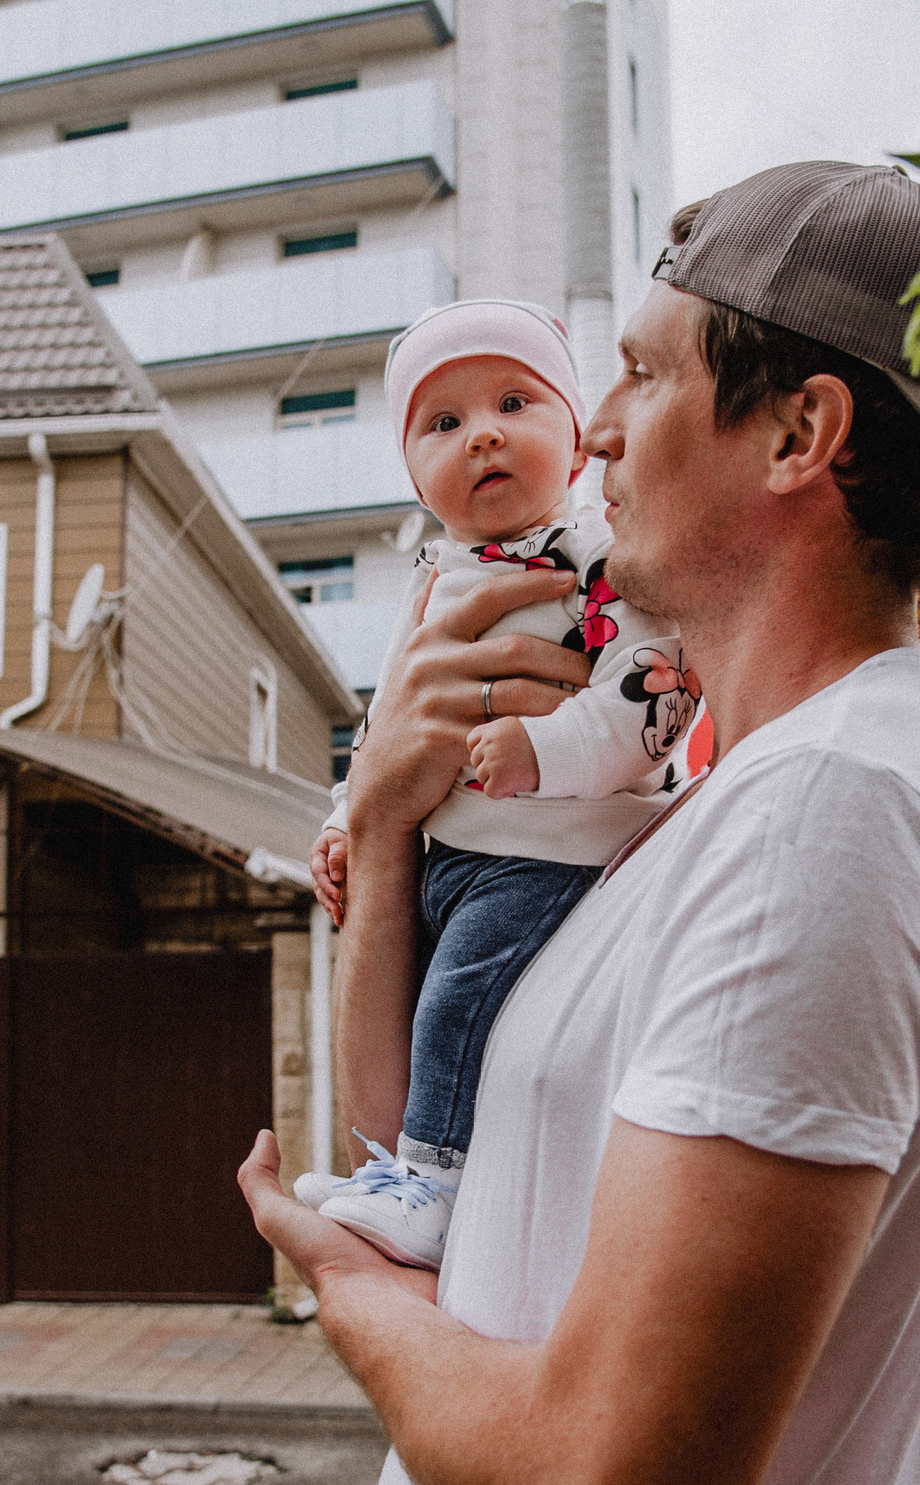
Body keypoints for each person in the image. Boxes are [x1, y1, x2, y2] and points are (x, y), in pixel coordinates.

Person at [240, 160, 920, 1485]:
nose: (596, 429)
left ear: (799, 432)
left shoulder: (836, 812)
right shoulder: (709, 808)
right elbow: (425, 1149)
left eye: (640, 372)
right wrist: (390, 817)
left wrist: (351, 1289)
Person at [299, 299, 697, 1269]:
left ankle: (431, 1186)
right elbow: (387, 720)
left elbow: (657, 694)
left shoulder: (601, 561)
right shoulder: (433, 582)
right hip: (447, 854)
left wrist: (543, 751)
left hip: (549, 852)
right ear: (414, 477)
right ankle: (392, 1170)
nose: (482, 433)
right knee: (422, 1008)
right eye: (443, 422)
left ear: (576, 437)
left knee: (457, 1011)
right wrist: (347, 816)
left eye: (515, 402)